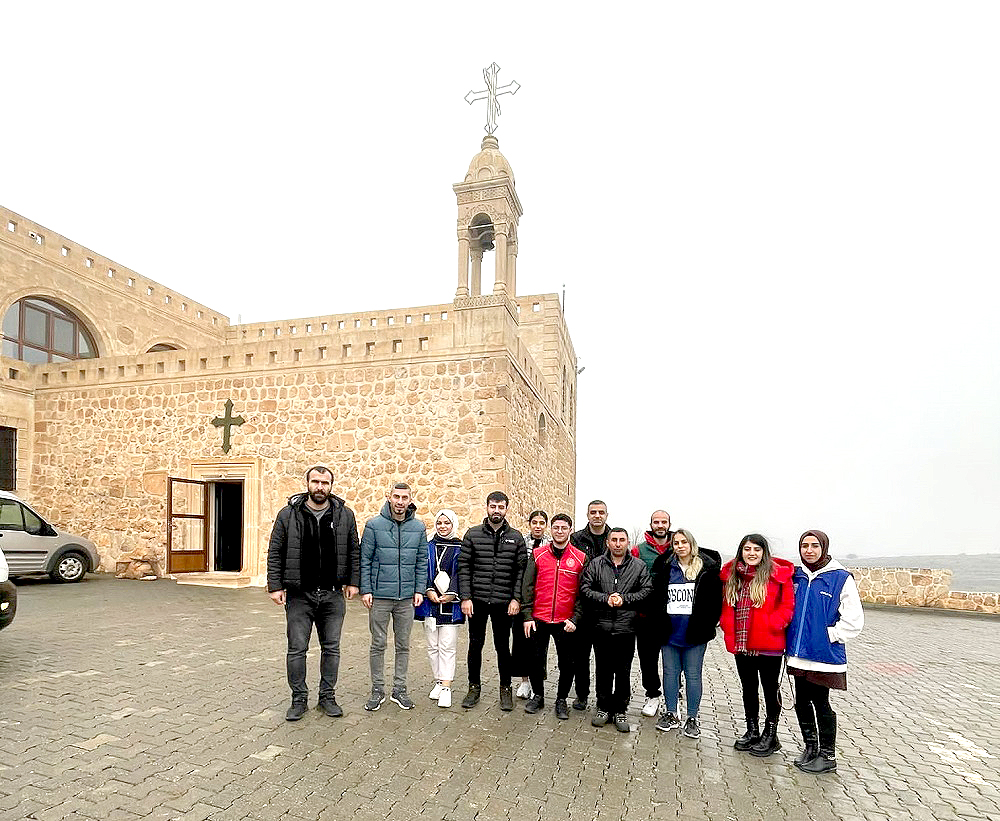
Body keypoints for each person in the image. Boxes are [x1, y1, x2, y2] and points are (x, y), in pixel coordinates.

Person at [266, 465, 360, 721]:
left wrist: (353, 582)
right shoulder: (288, 515)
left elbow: (354, 550)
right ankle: (298, 699)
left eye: (325, 483)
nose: (320, 487)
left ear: (331, 486)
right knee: (297, 649)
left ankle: (327, 697)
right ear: (307, 483)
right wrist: (275, 586)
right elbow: (275, 550)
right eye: (316, 482)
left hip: (332, 594)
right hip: (299, 594)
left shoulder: (344, 515)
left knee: (331, 648)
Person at [786, 530, 864, 774]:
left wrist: (829, 635)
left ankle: (828, 755)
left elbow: (854, 619)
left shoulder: (840, 578)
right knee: (801, 702)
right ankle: (810, 747)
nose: (809, 550)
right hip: (799, 654)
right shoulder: (796, 576)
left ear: (824, 548)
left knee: (821, 703)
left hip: (823, 656)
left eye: (814, 546)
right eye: (804, 546)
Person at [719, 534, 795, 756]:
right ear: (741, 551)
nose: (751, 553)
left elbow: (788, 606)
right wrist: (727, 629)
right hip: (743, 644)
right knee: (749, 689)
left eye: (757, 549)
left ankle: (771, 734)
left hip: (769, 644)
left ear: (764, 552)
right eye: (747, 549)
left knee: (770, 690)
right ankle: (752, 730)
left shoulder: (777, 576)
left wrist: (775, 623)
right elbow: (726, 607)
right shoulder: (734, 576)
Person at [457, 491, 528, 711]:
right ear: (486, 507)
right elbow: (464, 567)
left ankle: (505, 688)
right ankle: (474, 686)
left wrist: (516, 598)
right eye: (493, 506)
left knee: (502, 647)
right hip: (477, 600)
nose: (496, 510)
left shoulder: (516, 537)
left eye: (501, 507)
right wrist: (466, 597)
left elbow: (520, 571)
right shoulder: (473, 534)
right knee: (475, 645)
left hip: (503, 603)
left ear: (506, 509)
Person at [359, 482, 427, 711]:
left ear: (410, 500)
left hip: (406, 597)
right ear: (389, 497)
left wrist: (419, 590)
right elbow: (365, 560)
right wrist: (366, 589)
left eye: (404, 497)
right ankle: (377, 690)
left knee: (403, 645)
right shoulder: (373, 525)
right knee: (378, 644)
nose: (400, 501)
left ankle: (400, 689)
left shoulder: (418, 528)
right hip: (379, 596)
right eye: (396, 496)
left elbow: (421, 562)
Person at [579, 526, 651, 733]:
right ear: (608, 543)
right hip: (601, 626)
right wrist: (605, 598)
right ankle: (603, 707)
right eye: (614, 540)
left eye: (622, 540)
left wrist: (624, 599)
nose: (618, 544)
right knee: (603, 670)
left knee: (623, 671)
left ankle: (620, 709)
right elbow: (585, 588)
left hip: (626, 628)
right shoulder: (596, 564)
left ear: (627, 542)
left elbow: (646, 590)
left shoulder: (638, 566)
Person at [652, 529, 722, 739]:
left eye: (684, 542)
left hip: (695, 633)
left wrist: (708, 625)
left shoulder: (707, 569)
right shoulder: (666, 568)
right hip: (669, 632)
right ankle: (671, 713)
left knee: (693, 675)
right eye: (676, 543)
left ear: (692, 544)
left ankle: (692, 718)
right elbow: (657, 599)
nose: (680, 546)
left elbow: (715, 602)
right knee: (670, 673)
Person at [521, 513, 587, 720]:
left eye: (563, 528)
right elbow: (527, 585)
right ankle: (538, 696)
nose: (559, 531)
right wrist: (527, 615)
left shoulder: (580, 558)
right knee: (535, 660)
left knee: (567, 663)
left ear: (570, 530)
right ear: (551, 529)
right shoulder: (538, 554)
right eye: (556, 527)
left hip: (564, 621)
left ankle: (561, 700)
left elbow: (582, 593)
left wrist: (576, 618)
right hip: (538, 618)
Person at [414, 509, 465, 708]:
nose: (443, 526)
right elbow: (421, 569)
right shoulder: (428, 546)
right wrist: (428, 590)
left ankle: (446, 687)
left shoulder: (460, 548)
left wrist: (452, 593)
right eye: (440, 523)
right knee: (432, 646)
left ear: (453, 524)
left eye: (447, 523)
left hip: (451, 605)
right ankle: (438, 680)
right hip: (430, 603)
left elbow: (461, 572)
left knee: (447, 646)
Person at [631, 509, 673, 717]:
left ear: (669, 524)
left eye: (663, 522)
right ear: (651, 524)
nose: (660, 525)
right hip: (645, 615)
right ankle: (653, 695)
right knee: (647, 659)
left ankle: (674, 699)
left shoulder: (679, 547)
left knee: (673, 661)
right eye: (656, 522)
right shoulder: (639, 550)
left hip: (672, 616)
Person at [569, 499, 610, 711]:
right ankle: (581, 695)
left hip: (605, 609)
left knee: (604, 660)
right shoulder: (576, 539)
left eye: (601, 512)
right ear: (587, 515)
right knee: (580, 658)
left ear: (606, 515)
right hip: (583, 608)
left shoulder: (614, 539)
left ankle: (603, 697)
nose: (597, 515)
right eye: (593, 512)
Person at [517, 510, 550, 699]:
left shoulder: (550, 545)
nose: (538, 526)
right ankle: (524, 681)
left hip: (542, 602)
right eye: (535, 522)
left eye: (542, 523)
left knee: (539, 647)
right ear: (529, 524)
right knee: (523, 643)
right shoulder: (521, 542)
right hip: (523, 599)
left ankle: (538, 681)